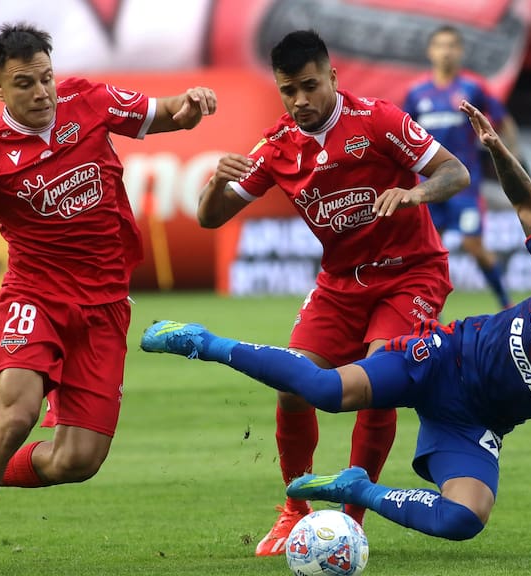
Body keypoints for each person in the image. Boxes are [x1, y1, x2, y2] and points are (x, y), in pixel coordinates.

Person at [141, 99, 531, 563]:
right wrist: (496, 150)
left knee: (464, 520)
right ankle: (204, 342)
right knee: (325, 389)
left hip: (472, 425)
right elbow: (528, 207)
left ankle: (357, 489)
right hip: (438, 359)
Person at [0, 23, 217, 576]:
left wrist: (194, 104)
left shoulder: (89, 100)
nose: (41, 93)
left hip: (105, 306)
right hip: (35, 296)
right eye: (25, 83)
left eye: (46, 79)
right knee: (17, 413)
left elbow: (169, 112)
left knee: (77, 461)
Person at [196, 29, 470, 556]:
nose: (300, 100)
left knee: (376, 379)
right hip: (341, 284)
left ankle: (352, 516)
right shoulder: (276, 146)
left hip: (410, 272)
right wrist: (213, 183)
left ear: (332, 78)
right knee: (292, 385)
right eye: (288, 91)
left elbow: (453, 171)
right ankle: (294, 510)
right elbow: (212, 219)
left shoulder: (379, 120)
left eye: (309, 86)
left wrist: (415, 193)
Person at [403, 25, 520, 310]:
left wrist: (509, 159)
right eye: (440, 45)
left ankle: (506, 304)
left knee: (474, 247)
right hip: (428, 186)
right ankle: (429, 314)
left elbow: (503, 122)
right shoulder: (417, 93)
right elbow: (402, 133)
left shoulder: (471, 89)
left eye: (452, 45)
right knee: (428, 252)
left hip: (464, 185)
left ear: (460, 51)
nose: (446, 51)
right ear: (431, 52)